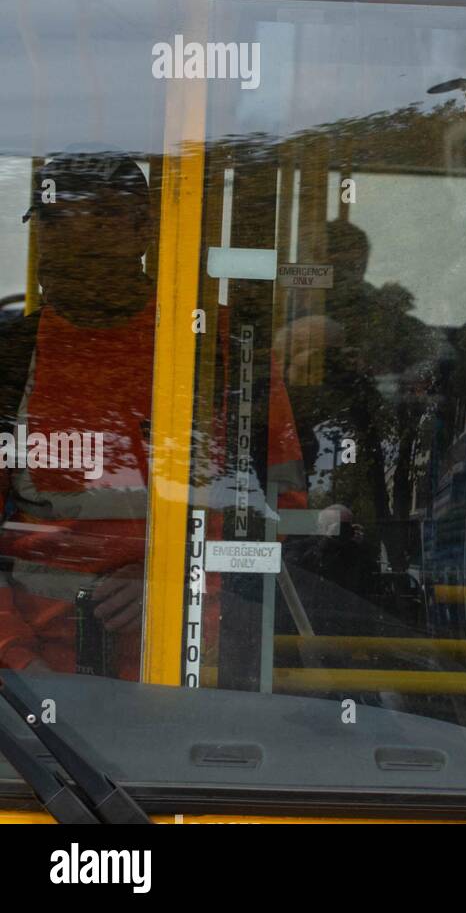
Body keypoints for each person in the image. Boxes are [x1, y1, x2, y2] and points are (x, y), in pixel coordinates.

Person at [0, 151, 304, 678]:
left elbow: (282, 509)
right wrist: (18, 661)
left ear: (143, 228)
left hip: (202, 670)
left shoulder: (223, 349)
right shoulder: (10, 359)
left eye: (99, 219)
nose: (73, 242)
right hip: (43, 690)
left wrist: (171, 573)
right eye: (53, 221)